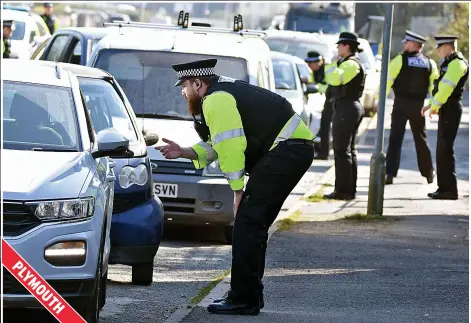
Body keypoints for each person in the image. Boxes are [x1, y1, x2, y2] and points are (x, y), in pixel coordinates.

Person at [156, 59, 315, 315]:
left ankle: (244, 299)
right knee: (252, 224)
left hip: (287, 151)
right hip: (290, 151)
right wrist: (184, 152)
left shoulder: (215, 100)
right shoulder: (221, 93)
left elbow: (231, 146)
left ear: (198, 83)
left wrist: (237, 190)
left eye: (184, 86)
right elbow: (219, 144)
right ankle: (248, 295)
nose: (182, 92)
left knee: (247, 223)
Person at [384, 31, 438, 185]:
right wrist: (434, 105)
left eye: (405, 42)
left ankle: (389, 173)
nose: (403, 45)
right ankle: (429, 173)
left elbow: (387, 82)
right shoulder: (429, 63)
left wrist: (378, 102)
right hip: (418, 107)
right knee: (421, 139)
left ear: (413, 44)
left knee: (395, 139)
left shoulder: (399, 60)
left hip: (400, 104)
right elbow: (435, 86)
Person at [421, 35, 469, 200]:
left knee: (445, 150)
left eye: (439, 48)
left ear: (448, 46)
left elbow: (447, 89)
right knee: (442, 149)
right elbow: (440, 88)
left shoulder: (457, 64)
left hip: (451, 109)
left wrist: (435, 106)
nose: (438, 51)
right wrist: (431, 104)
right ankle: (444, 188)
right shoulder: (450, 62)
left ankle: (449, 190)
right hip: (446, 109)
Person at [322, 32, 366, 201]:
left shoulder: (350, 64)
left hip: (347, 107)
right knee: (347, 150)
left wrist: (330, 65)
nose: (337, 48)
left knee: (341, 150)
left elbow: (333, 79)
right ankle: (347, 190)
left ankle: (344, 191)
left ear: (347, 46)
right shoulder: (348, 63)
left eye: (339, 45)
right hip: (347, 107)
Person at [305, 51, 333, 160]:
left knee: (327, 126)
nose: (309, 66)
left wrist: (316, 87)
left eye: (310, 64)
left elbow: (329, 86)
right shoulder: (315, 71)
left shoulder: (327, 69)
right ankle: (323, 152)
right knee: (324, 126)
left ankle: (325, 153)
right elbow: (313, 81)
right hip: (329, 100)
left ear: (317, 62)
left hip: (335, 101)